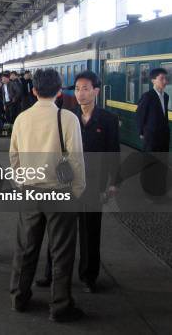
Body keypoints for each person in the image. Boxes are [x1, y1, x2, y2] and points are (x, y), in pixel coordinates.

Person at [9, 68, 85, 322]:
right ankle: (60, 306)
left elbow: (14, 156)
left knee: (26, 247)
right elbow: (76, 159)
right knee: (61, 251)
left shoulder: (21, 118)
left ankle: (19, 297)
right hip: (60, 193)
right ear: (60, 91)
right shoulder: (68, 118)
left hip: (30, 191)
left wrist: (21, 183)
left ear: (33, 90)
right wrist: (77, 191)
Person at [36, 71, 120, 294]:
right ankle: (51, 273)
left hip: (94, 184)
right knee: (59, 231)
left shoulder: (108, 120)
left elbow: (114, 154)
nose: (80, 93)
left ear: (96, 91)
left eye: (85, 88)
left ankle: (88, 277)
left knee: (90, 231)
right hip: (66, 183)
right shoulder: (65, 116)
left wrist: (113, 184)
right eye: (77, 89)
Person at [136, 67, 170, 196]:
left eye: (166, 79)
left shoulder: (165, 96)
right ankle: (148, 190)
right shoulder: (147, 97)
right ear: (153, 81)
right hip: (151, 138)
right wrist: (141, 133)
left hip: (163, 137)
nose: (165, 81)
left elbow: (164, 116)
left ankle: (160, 189)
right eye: (162, 78)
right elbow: (140, 115)